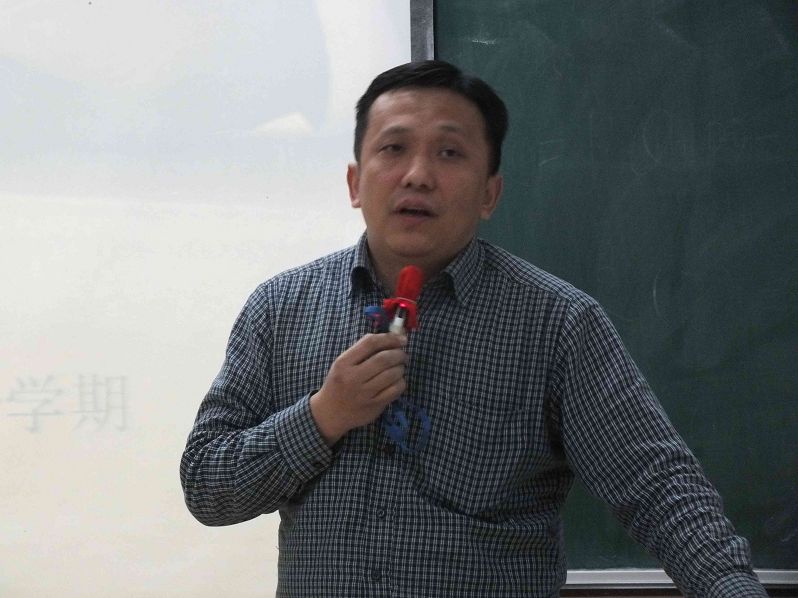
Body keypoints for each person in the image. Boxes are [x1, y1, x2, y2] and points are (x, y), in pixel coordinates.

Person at [180, 60, 766, 597]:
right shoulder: (281, 307)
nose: (418, 175)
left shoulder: (557, 323)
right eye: (394, 148)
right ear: (355, 183)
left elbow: (660, 490)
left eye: (450, 153)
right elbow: (208, 487)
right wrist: (323, 415)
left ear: (490, 193)